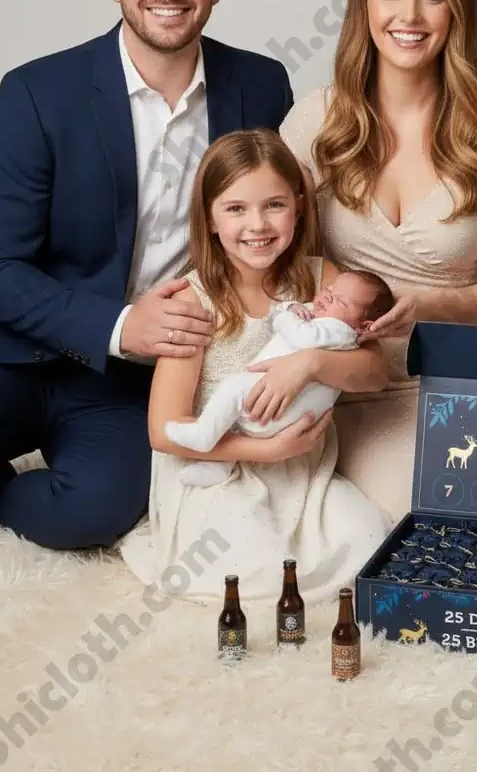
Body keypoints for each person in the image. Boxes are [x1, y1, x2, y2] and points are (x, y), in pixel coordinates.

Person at [0, 0, 322, 552]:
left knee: (93, 515)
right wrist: (123, 324)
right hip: (11, 351)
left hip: (135, 380)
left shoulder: (262, 85)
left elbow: (280, 223)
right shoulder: (37, 91)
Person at [275, 0, 477, 521]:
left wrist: (427, 302)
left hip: (467, 367)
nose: (409, 15)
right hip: (360, 379)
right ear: (364, 4)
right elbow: (271, 251)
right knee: (425, 512)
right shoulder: (316, 121)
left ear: (455, 12)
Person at [117, 129, 390, 602]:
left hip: (303, 470)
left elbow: (375, 372)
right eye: (236, 208)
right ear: (210, 218)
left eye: (274, 205)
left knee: (368, 538)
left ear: (299, 206)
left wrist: (308, 363)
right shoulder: (192, 300)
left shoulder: (323, 280)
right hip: (220, 463)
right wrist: (266, 450)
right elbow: (164, 431)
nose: (258, 225)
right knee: (251, 567)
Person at [164, 269, 394, 488]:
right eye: (329, 289)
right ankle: (222, 465)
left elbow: (300, 336)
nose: (326, 297)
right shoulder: (324, 319)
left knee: (233, 388)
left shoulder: (340, 331)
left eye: (340, 302)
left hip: (279, 410)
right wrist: (292, 307)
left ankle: (204, 434)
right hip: (283, 418)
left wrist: (287, 316)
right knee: (235, 413)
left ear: (364, 326)